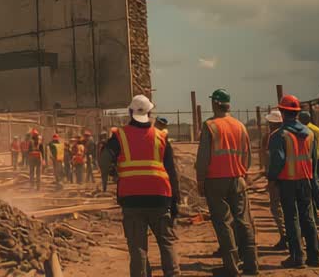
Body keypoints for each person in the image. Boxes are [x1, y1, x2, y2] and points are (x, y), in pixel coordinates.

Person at [100, 95, 182, 277]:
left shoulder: (119, 136)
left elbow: (104, 159)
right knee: (167, 243)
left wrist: (109, 176)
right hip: (160, 198)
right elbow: (172, 171)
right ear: (150, 113)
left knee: (138, 248)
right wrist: (176, 200)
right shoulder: (161, 137)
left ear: (130, 113)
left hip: (132, 200)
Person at [195, 89, 259, 276]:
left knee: (223, 223)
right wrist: (242, 173)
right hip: (238, 179)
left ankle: (231, 267)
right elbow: (247, 156)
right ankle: (251, 265)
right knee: (243, 221)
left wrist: (200, 180)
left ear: (215, 103)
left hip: (216, 181)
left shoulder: (210, 126)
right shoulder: (240, 126)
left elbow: (203, 157)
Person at [267, 95, 319, 269]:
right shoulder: (311, 134)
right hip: (305, 180)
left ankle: (297, 257)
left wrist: (272, 177)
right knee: (308, 218)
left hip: (287, 181)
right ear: (297, 113)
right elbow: (314, 160)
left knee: (291, 219)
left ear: (282, 112)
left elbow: (278, 160)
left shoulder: (279, 135)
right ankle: (314, 257)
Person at [261, 108, 287, 250]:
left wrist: (271, 178)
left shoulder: (274, 137)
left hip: (278, 179)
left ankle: (285, 236)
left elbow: (275, 159)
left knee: (277, 208)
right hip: (291, 177)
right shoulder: (289, 134)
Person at [298, 111, 319, 212]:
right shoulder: (317, 129)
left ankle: (318, 204)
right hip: (318, 156)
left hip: (310, 157)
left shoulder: (305, 129)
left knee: (312, 181)